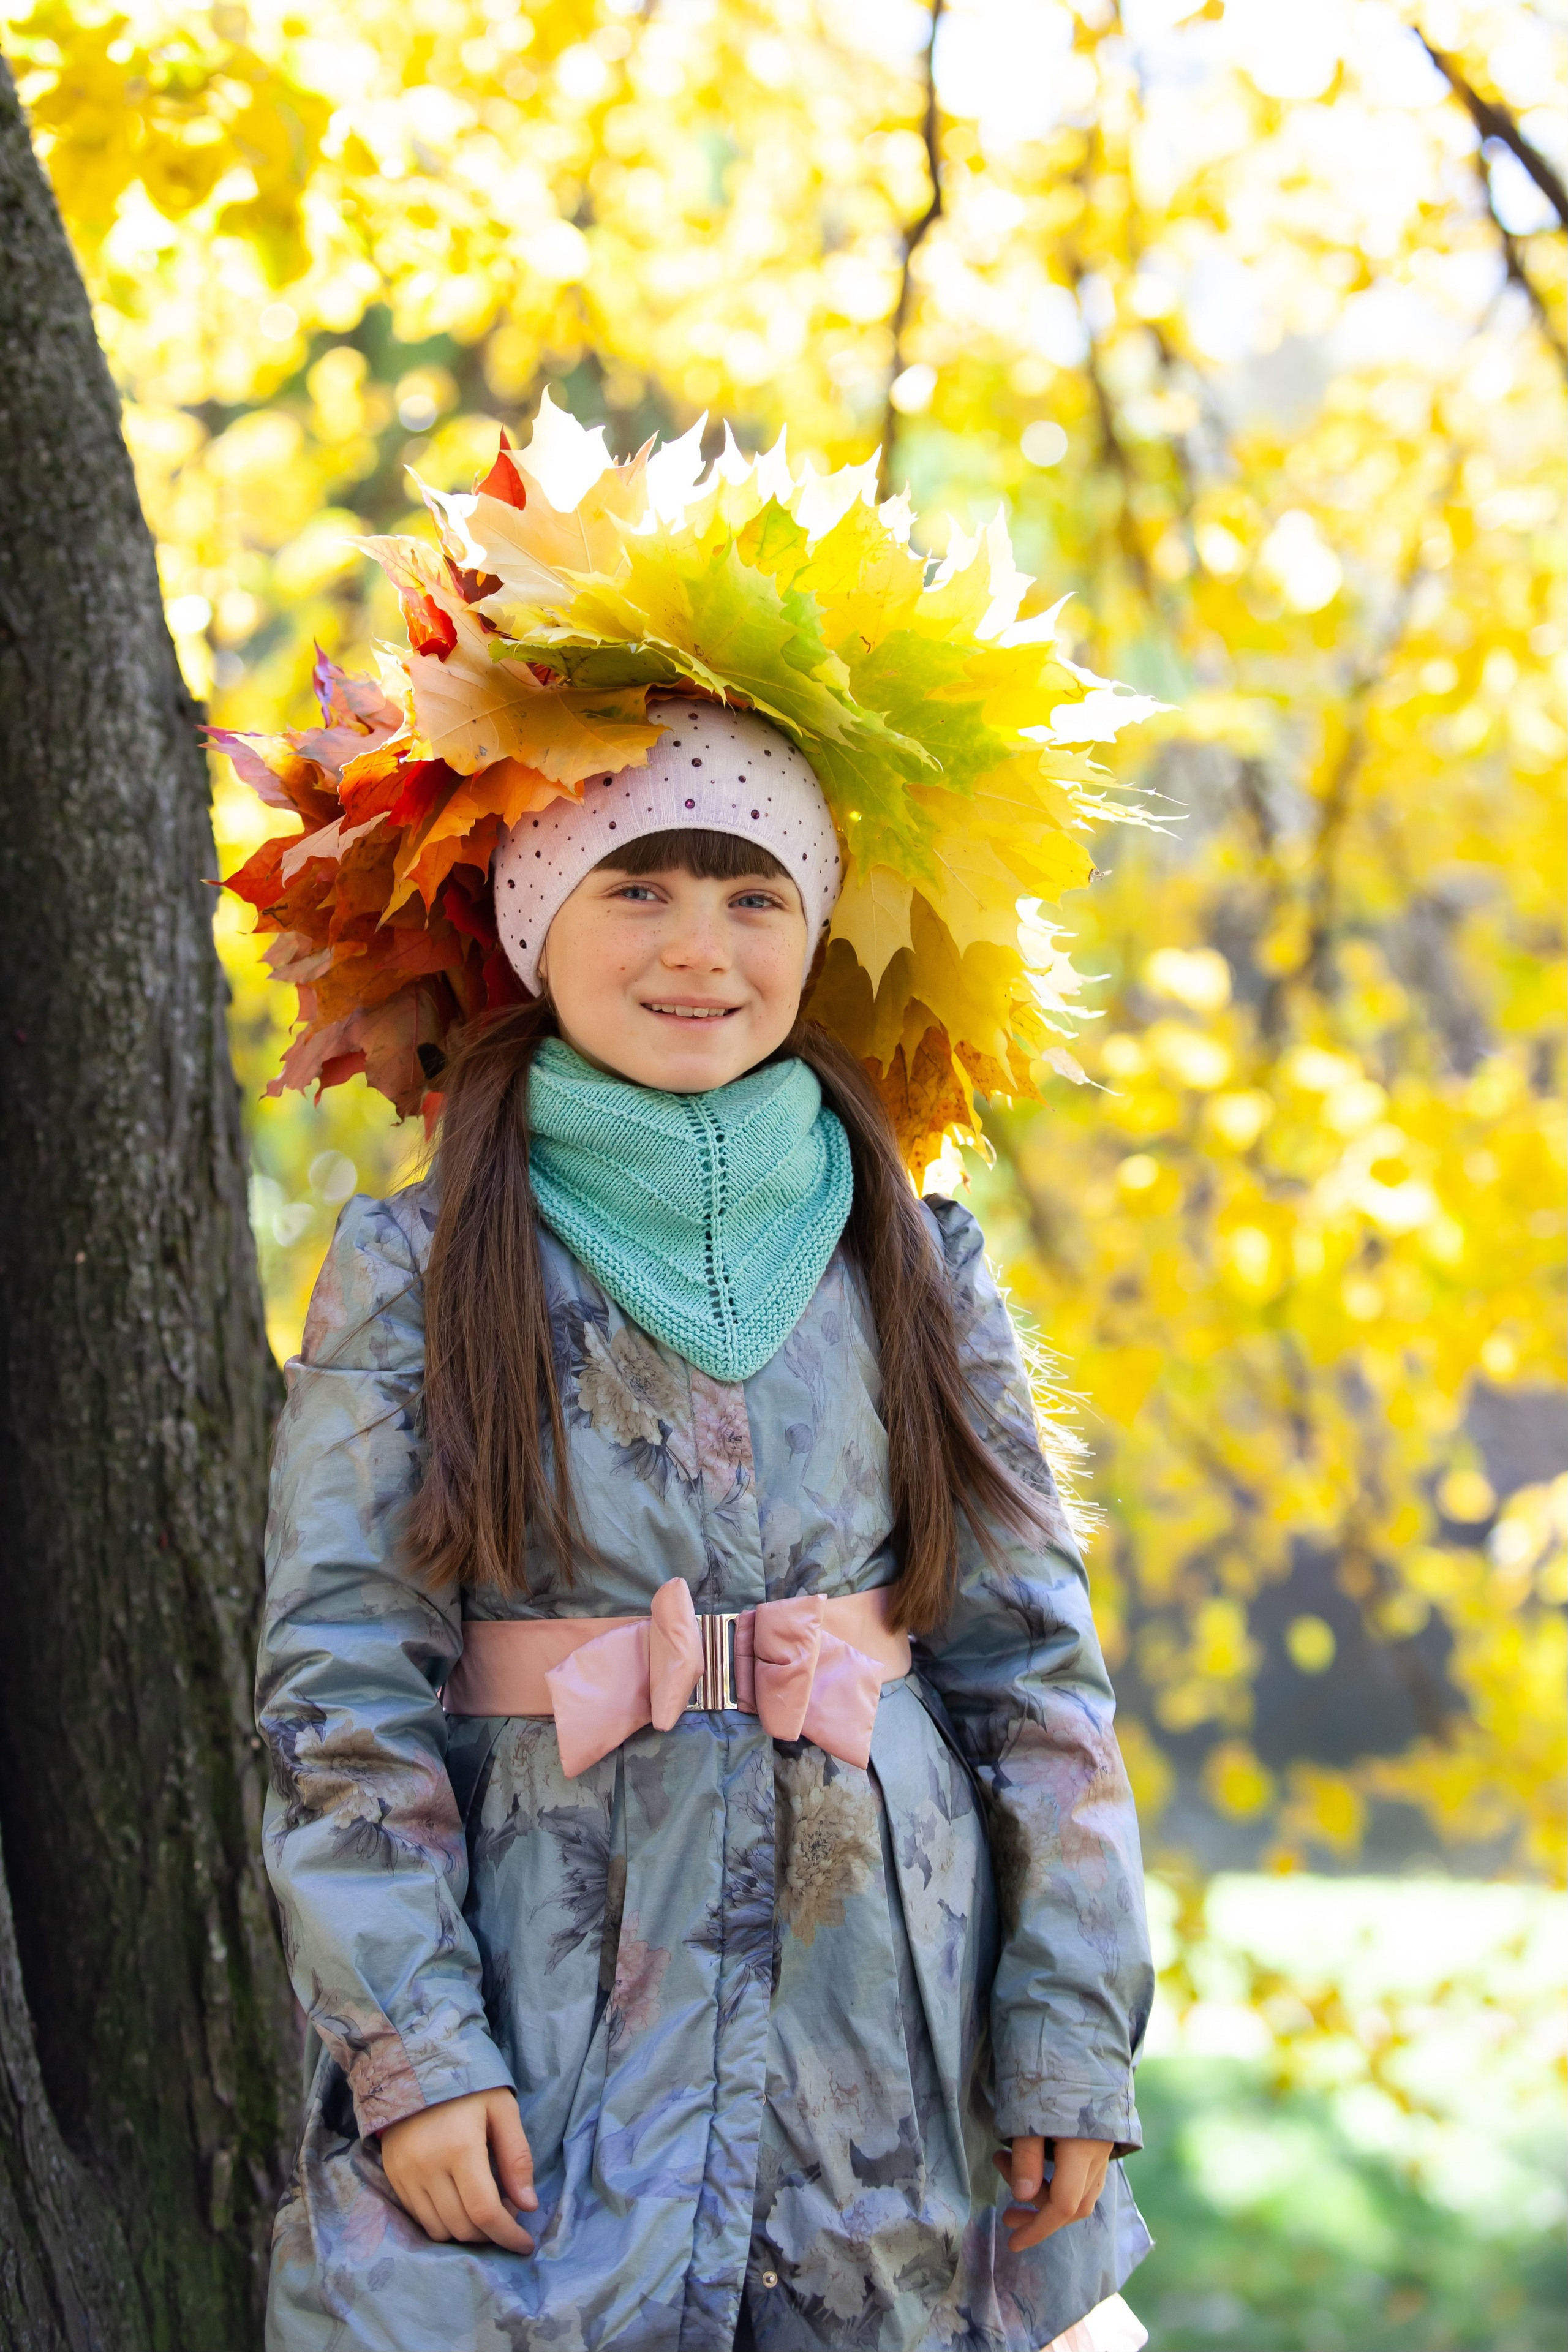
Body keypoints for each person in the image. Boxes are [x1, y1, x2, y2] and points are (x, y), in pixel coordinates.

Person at [239, 412, 1155, 2352]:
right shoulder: (420, 1270)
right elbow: (342, 1695)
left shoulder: (915, 1258)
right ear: (531, 919)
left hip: (882, 2073)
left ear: (812, 930)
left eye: (751, 896)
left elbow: (1031, 1666)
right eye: (636, 889)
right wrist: (414, 2052)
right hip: (554, 2045)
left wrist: (1068, 2030)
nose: (698, 949)